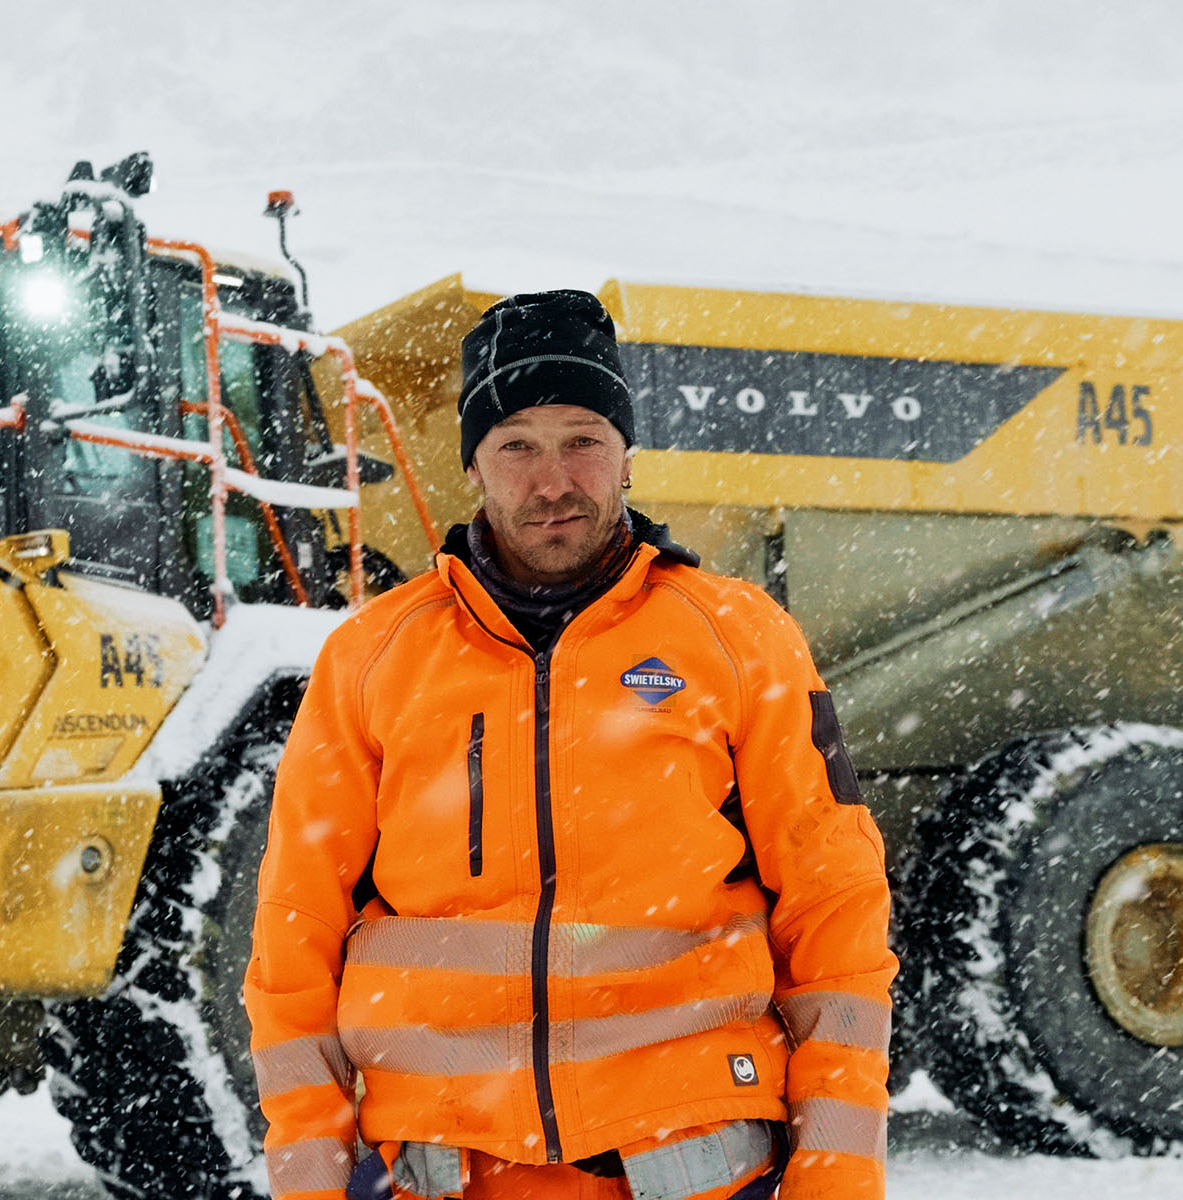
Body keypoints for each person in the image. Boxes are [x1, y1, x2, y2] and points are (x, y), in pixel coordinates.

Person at [242, 290, 897, 1200]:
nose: (553, 481)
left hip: (700, 1177)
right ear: (473, 465)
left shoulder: (740, 640)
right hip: (447, 1176)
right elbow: (294, 942)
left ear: (627, 455)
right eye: (517, 446)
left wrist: (837, 1178)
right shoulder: (371, 658)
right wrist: (311, 1183)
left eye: (583, 438)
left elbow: (837, 922)